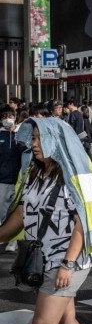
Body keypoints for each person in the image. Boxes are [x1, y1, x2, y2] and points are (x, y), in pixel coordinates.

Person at [0, 117, 92, 324]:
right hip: (43, 256)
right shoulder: (36, 173)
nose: (34, 143)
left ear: (56, 140)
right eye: (34, 138)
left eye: (39, 138)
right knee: (64, 320)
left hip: (67, 259)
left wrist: (67, 264)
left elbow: (84, 223)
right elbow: (21, 213)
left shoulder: (76, 179)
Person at [0, 106, 22, 254]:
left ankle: (12, 241)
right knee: (1, 211)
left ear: (15, 117)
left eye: (11, 116)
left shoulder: (20, 135)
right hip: (2, 180)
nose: (8, 119)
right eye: (5, 117)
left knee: (15, 211)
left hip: (18, 180)